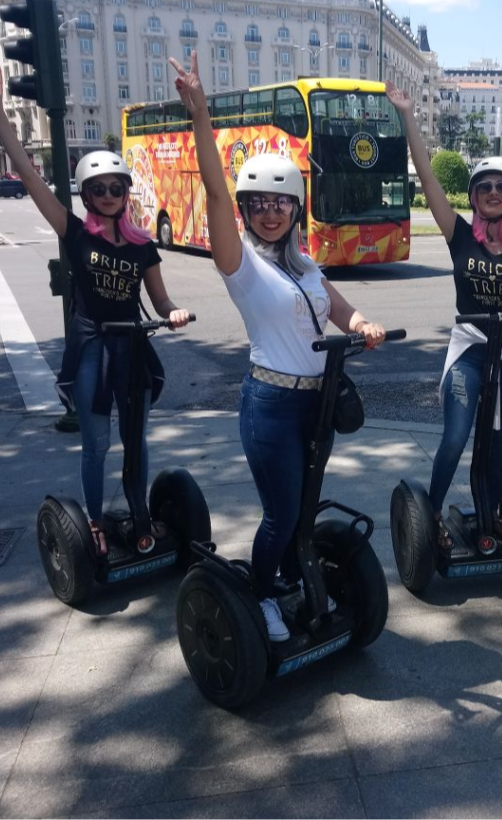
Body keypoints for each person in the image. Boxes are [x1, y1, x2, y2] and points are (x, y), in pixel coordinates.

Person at [168, 51, 386, 642]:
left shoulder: (304, 263)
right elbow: (213, 193)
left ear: (295, 209)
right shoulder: (239, 264)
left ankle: (295, 575)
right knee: (283, 512)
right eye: (258, 203)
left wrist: (362, 322)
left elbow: (336, 306)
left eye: (280, 202)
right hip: (270, 403)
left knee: (305, 506)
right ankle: (263, 596)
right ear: (247, 210)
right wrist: (201, 116)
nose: (269, 212)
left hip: (317, 403)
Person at [0, 67, 191, 557]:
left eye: (116, 189)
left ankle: (140, 512)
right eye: (99, 190)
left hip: (131, 346)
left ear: (125, 192)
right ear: (86, 194)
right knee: (97, 443)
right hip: (93, 344)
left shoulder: (142, 246)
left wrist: (174, 311)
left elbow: (159, 299)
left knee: (137, 442)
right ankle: (94, 519)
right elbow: (31, 178)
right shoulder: (74, 233)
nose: (109, 197)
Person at [386, 82, 502, 549]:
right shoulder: (460, 234)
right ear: (475, 197)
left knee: (499, 440)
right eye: (485, 187)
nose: (494, 192)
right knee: (457, 435)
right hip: (469, 350)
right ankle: (432, 515)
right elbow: (427, 175)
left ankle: (492, 515)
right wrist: (407, 117)